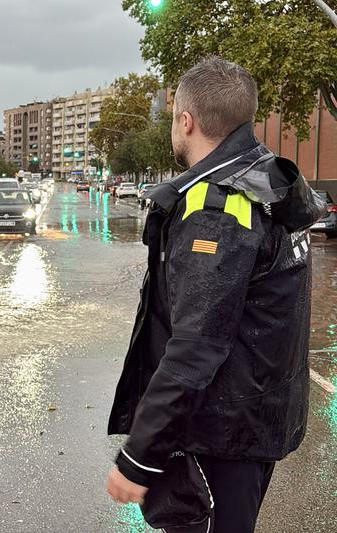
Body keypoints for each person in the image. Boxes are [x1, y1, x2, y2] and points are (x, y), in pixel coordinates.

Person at [106, 57, 325, 533]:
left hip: (219, 436)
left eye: (172, 119)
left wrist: (140, 455)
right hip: (256, 422)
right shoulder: (269, 180)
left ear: (187, 121)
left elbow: (196, 345)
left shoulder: (218, 206)